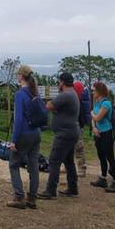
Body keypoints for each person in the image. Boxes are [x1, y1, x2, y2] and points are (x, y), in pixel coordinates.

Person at [38, 72, 80, 200]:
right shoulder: (73, 94)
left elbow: (49, 105)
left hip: (64, 133)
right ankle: (73, 188)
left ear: (62, 82)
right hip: (72, 132)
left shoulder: (65, 95)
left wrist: (52, 105)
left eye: (59, 82)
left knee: (54, 160)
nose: (58, 84)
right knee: (68, 161)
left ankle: (50, 190)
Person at [6, 65, 42, 210]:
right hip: (36, 133)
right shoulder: (35, 92)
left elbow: (18, 119)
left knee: (13, 164)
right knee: (33, 166)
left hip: (24, 135)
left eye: (18, 74)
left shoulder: (20, 94)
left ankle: (19, 196)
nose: (17, 76)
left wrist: (14, 141)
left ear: (21, 76)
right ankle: (32, 198)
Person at [89, 82, 115, 193]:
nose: (92, 92)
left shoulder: (106, 104)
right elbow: (94, 119)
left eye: (94, 90)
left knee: (110, 157)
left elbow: (97, 117)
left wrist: (92, 114)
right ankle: (103, 178)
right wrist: (94, 128)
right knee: (101, 156)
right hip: (98, 133)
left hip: (107, 133)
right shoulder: (97, 103)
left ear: (99, 91)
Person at [72, 81, 91, 178]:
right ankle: (72, 167)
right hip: (77, 125)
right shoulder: (83, 100)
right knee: (71, 147)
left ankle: (81, 169)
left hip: (77, 125)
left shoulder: (78, 100)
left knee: (78, 147)